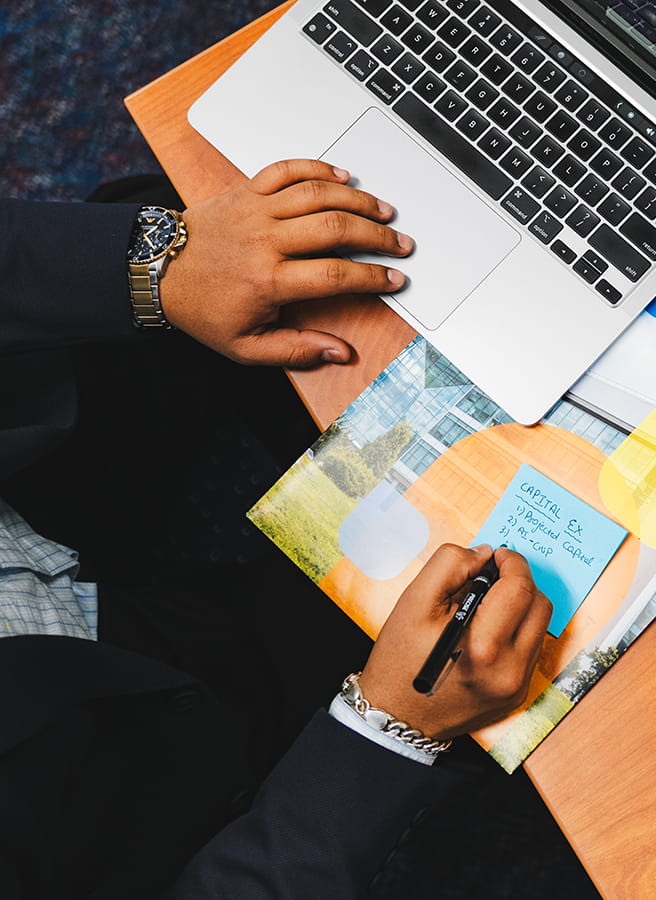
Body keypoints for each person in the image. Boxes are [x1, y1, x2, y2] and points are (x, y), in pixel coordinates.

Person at [0, 160, 553, 899]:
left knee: (223, 208)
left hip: (26, 448)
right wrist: (387, 728)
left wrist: (151, 263)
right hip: (114, 745)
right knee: (507, 646)